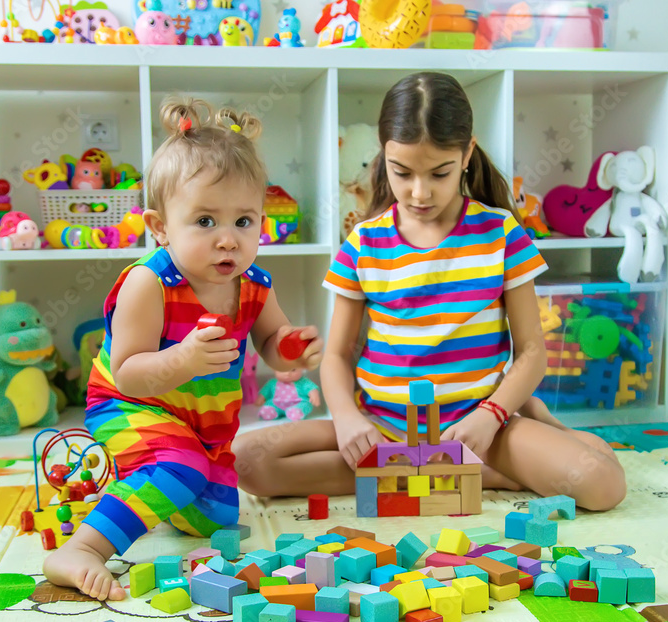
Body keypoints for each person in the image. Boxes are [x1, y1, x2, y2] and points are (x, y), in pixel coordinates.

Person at [233, 72, 626, 512]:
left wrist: (492, 415)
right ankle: (467, 476)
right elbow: (338, 355)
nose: (419, 192)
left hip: (477, 429)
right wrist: (345, 419)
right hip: (380, 431)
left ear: (467, 154)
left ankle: (464, 466)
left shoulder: (501, 234)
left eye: (439, 173)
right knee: (246, 461)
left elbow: (533, 351)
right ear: (385, 156)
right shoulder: (364, 243)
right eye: (402, 172)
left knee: (601, 483)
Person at [43, 98, 323, 601]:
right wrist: (182, 361)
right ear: (159, 226)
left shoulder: (255, 285)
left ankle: (141, 490)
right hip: (130, 405)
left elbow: (271, 345)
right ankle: (82, 548)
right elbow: (127, 373)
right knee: (177, 468)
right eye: (204, 221)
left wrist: (292, 350)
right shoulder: (148, 284)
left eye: (244, 222)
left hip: (203, 424)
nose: (227, 240)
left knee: (214, 517)